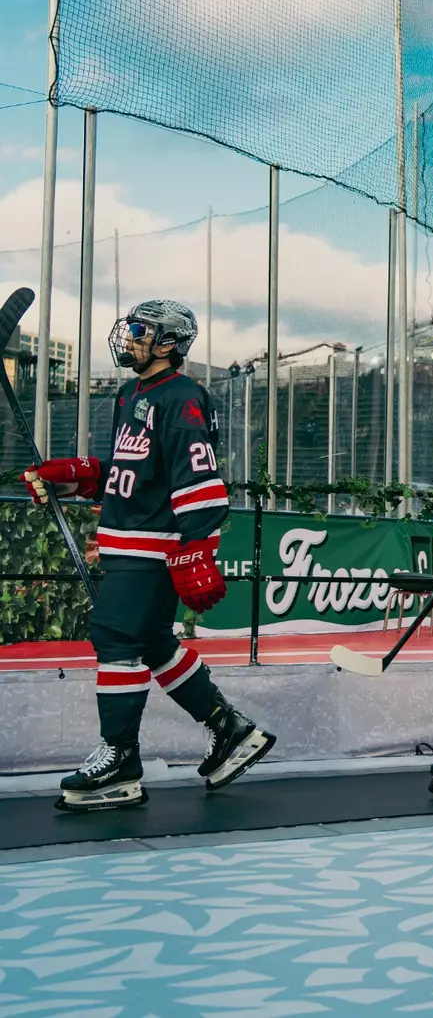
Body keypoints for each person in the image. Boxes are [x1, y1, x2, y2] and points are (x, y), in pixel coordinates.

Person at [24, 301, 273, 812]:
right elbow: (129, 470)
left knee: (116, 636)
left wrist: (196, 547)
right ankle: (231, 730)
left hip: (151, 546)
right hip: (125, 539)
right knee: (153, 641)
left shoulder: (184, 397)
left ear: (167, 343)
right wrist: (73, 477)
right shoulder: (128, 394)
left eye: (141, 331)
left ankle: (120, 758)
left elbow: (196, 477)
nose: (129, 338)